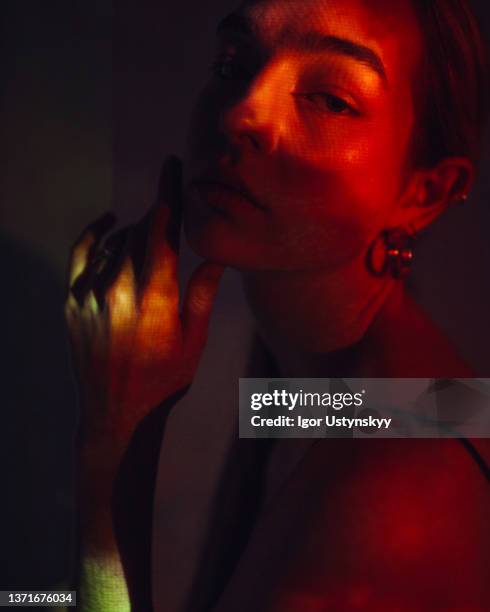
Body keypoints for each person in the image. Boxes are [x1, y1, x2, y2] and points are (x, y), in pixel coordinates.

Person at [65, 0, 490, 609]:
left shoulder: (384, 503)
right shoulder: (395, 388)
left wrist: (115, 437)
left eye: (331, 99)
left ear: (423, 194)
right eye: (232, 63)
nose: (243, 111)